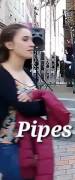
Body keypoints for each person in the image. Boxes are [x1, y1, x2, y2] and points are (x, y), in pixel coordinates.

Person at [0, 24, 47, 180]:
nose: (32, 44)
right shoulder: (2, 74)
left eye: (31, 39)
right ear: (9, 45)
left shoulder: (27, 73)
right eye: (25, 39)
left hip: (29, 142)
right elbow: (25, 107)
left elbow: (40, 103)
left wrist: (42, 104)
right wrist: (44, 105)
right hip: (7, 143)